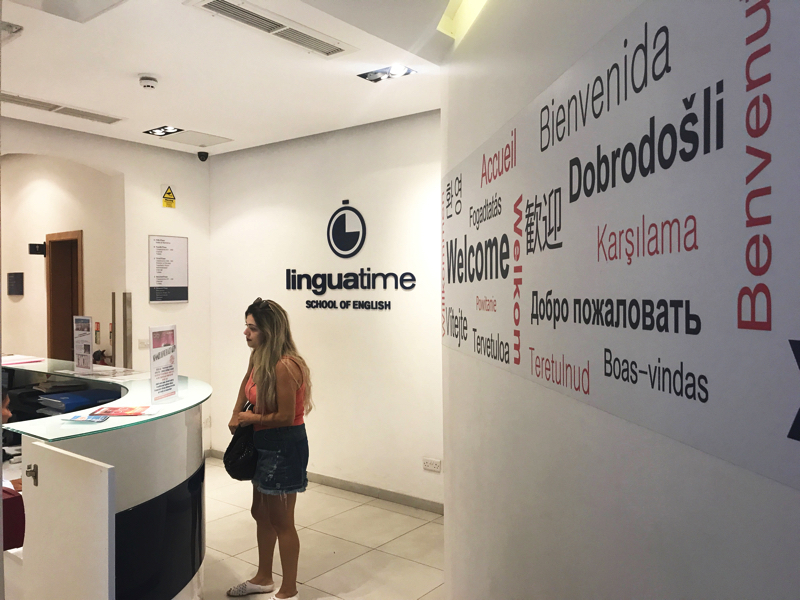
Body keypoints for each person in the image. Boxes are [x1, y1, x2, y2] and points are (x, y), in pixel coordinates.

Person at [227, 298, 312, 599]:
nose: (246, 333)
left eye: (252, 328)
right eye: (246, 326)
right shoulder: (259, 357)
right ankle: (264, 577)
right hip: (263, 442)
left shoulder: (285, 366)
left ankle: (289, 590)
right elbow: (245, 382)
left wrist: (251, 418)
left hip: (284, 446)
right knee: (260, 513)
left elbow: (286, 416)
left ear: (269, 331)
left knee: (281, 521)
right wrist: (236, 412)